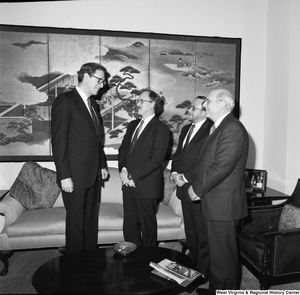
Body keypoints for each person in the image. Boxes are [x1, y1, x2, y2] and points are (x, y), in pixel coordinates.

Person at [187, 89, 249, 294]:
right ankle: (216, 289)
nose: (205, 105)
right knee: (217, 254)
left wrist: (197, 188)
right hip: (216, 202)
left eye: (209, 102)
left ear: (222, 104)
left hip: (224, 205)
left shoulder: (232, 128)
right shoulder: (219, 127)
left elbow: (221, 167)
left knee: (224, 256)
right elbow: (208, 162)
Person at [51, 62, 109, 254]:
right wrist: (64, 175)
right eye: (99, 80)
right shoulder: (65, 100)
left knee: (90, 221)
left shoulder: (93, 104)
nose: (102, 85)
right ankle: (74, 267)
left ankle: (90, 261)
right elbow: (59, 143)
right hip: (74, 176)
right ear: (85, 76)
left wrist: (102, 164)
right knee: (76, 224)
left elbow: (96, 140)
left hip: (93, 175)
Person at [118, 89, 170, 247]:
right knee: (129, 227)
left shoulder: (161, 129)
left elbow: (155, 160)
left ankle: (149, 261)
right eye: (138, 100)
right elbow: (123, 151)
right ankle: (133, 261)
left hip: (147, 187)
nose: (137, 103)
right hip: (128, 186)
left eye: (141, 101)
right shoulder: (133, 125)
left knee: (148, 230)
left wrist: (132, 175)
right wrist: (123, 171)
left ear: (153, 104)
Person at [171, 96, 213, 282]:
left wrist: (186, 177)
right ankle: (193, 265)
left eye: (194, 108)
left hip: (197, 189)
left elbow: (205, 162)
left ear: (205, 111)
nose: (189, 111)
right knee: (190, 232)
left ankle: (203, 272)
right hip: (182, 186)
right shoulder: (187, 128)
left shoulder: (210, 131)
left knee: (202, 233)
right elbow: (178, 155)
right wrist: (174, 174)